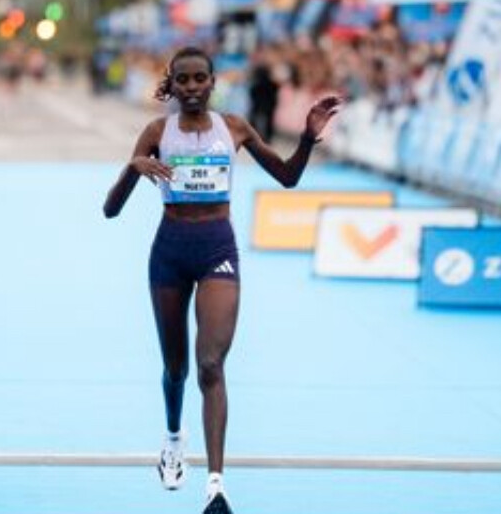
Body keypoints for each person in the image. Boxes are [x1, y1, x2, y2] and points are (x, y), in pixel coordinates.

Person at [103, 47, 342, 514]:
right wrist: (133, 169)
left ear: (213, 82)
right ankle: (174, 437)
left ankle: (216, 487)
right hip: (170, 254)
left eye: (200, 79)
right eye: (183, 79)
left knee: (210, 364)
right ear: (172, 84)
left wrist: (307, 139)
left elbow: (287, 178)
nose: (192, 87)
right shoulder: (156, 133)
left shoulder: (233, 127)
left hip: (217, 252)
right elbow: (111, 210)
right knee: (176, 369)